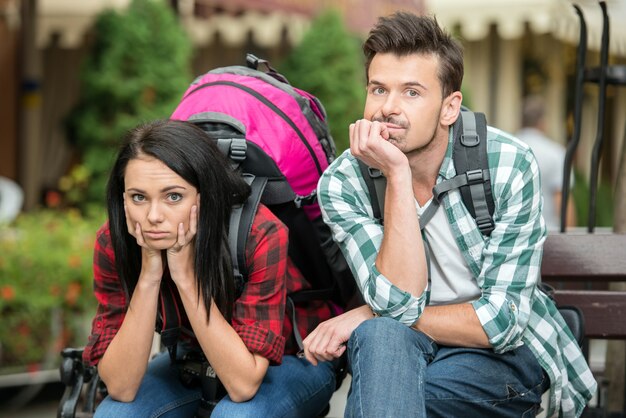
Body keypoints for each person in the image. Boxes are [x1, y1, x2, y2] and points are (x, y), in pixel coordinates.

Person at [302, 12, 596, 418]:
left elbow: (501, 323)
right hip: (404, 347)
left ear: (449, 107)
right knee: (383, 337)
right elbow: (397, 302)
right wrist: (398, 176)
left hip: (501, 357)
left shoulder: (507, 164)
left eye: (411, 93)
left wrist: (369, 313)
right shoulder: (344, 183)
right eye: (378, 89)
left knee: (389, 384)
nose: (388, 108)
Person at [83, 119, 337, 418]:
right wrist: (149, 276)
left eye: (173, 196)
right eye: (139, 197)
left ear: (204, 196)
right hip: (192, 357)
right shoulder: (115, 242)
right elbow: (121, 387)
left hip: (294, 357)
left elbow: (243, 384)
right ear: (122, 199)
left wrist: (185, 279)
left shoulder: (259, 233)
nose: (153, 216)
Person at [516, 94, 576, 231]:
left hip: (510, 236)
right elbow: (563, 202)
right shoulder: (556, 153)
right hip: (548, 236)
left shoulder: (506, 149)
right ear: (542, 122)